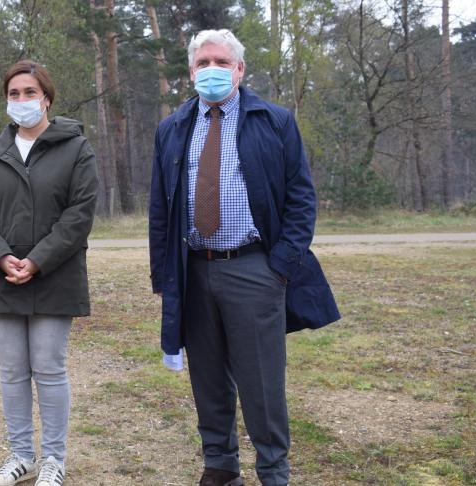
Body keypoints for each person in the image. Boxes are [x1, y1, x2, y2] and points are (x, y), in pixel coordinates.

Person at [148, 29, 340, 486]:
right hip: (194, 269)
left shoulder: (273, 121)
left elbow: (301, 199)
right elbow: (161, 207)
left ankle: (273, 470)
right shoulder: (172, 129)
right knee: (208, 378)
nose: (209, 70)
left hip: (255, 267)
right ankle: (220, 465)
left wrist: (279, 267)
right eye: (201, 63)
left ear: (239, 69)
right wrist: (165, 276)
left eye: (220, 61)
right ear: (190, 72)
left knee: (262, 383)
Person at [0, 60, 98, 486]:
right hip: (1, 275)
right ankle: (21, 454)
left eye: (29, 92)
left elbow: (79, 215)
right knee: (12, 370)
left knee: (49, 368)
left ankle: (54, 459)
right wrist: (1, 257)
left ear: (47, 98)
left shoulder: (76, 149)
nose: (21, 100)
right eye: (14, 94)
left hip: (55, 274)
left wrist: (38, 260)